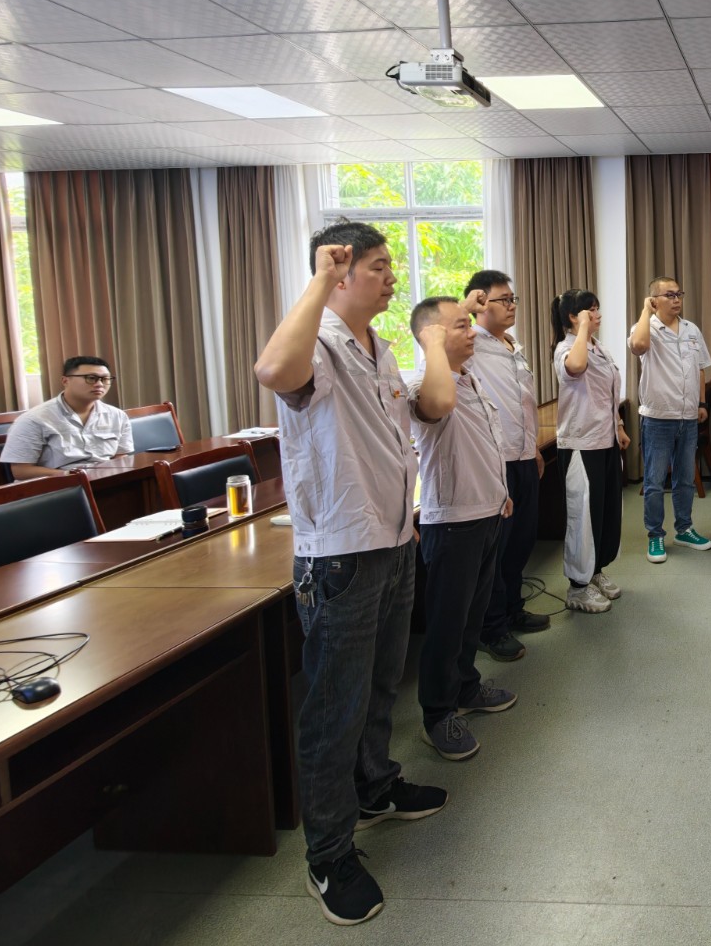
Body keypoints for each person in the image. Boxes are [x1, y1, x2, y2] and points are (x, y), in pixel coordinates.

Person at [253, 221, 444, 928]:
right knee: (334, 711)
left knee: (380, 686)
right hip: (340, 554)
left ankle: (375, 788)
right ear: (340, 275)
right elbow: (273, 372)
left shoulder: (378, 348)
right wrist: (318, 280)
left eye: (391, 266)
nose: (392, 277)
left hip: (392, 540)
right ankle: (328, 855)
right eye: (377, 266)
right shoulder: (319, 344)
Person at [408, 294, 518, 763]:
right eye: (459, 326)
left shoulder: (470, 378)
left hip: (486, 513)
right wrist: (433, 347)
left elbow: (485, 442)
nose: (472, 331)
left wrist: (500, 492)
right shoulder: (424, 384)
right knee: (447, 626)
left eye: (469, 324)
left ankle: (466, 687)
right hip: (453, 523)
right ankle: (437, 714)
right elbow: (437, 405)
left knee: (472, 617)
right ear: (430, 335)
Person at [463, 269, 549, 663]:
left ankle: (513, 608)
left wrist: (534, 448)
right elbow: (433, 334)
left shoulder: (514, 345)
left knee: (521, 542)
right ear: (480, 302)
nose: (512, 306)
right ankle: (491, 627)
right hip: (494, 462)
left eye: (514, 299)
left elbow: (524, 402)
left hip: (523, 456)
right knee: (495, 552)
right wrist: (465, 309)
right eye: (503, 299)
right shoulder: (470, 344)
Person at [628, 275, 711, 563]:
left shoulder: (691, 329)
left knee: (685, 479)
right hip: (658, 418)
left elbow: (700, 367)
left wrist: (701, 402)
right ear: (654, 300)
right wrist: (645, 311)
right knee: (654, 482)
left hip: (687, 417)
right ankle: (655, 535)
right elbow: (638, 346)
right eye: (669, 295)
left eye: (679, 294)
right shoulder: (645, 328)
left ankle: (684, 529)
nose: (676, 299)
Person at [553, 288, 628, 612]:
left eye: (597, 309)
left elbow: (607, 394)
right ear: (574, 316)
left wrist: (619, 427)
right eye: (591, 310)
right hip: (581, 443)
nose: (597, 315)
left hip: (605, 440)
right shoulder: (566, 348)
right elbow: (576, 367)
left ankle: (595, 571)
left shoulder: (599, 347)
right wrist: (582, 328)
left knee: (605, 511)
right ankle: (577, 587)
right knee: (582, 515)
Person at [0, 356, 133, 478]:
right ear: (65, 380)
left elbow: (121, 457)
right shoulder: (33, 419)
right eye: (91, 378)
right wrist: (72, 476)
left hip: (105, 481)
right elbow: (21, 471)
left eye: (105, 379)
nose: (100, 384)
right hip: (57, 487)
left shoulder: (117, 416)